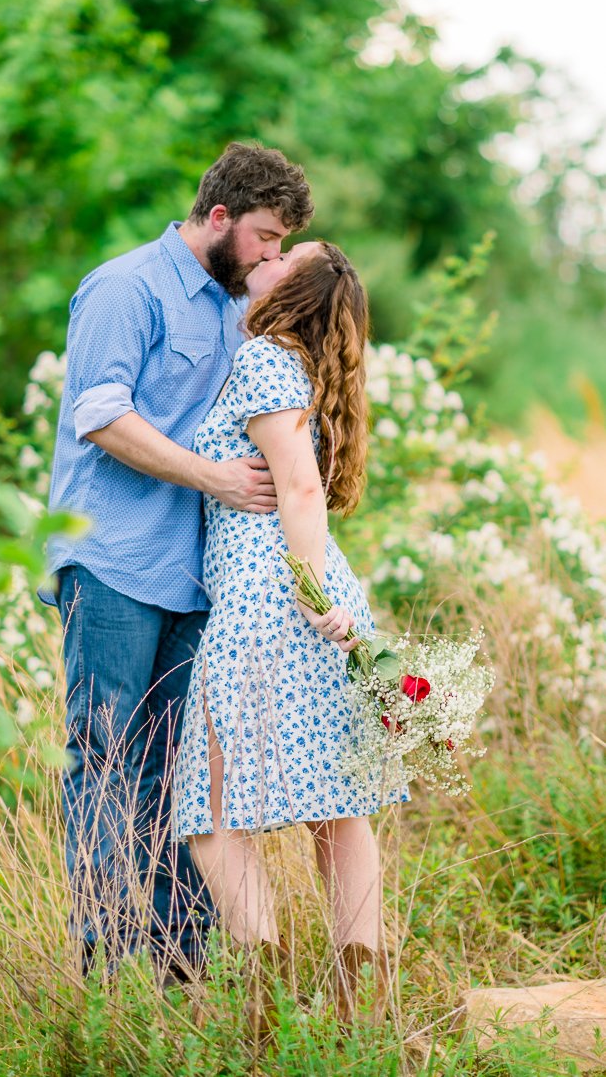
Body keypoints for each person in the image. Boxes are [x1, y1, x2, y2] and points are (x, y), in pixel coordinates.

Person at [39, 143, 314, 982]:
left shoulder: (239, 310)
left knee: (185, 771)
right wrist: (213, 478)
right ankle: (113, 969)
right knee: (107, 756)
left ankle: (181, 968)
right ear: (220, 217)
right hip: (115, 561)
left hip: (199, 581)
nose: (272, 257)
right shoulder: (127, 287)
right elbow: (99, 413)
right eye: (266, 238)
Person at [173, 240, 409, 1020]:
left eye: (283, 257)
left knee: (205, 803)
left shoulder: (269, 358)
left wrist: (309, 592)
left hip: (271, 594)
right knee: (337, 804)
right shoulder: (304, 367)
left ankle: (263, 997)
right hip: (305, 592)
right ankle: (357, 1006)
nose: (264, 260)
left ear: (295, 289)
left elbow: (301, 491)